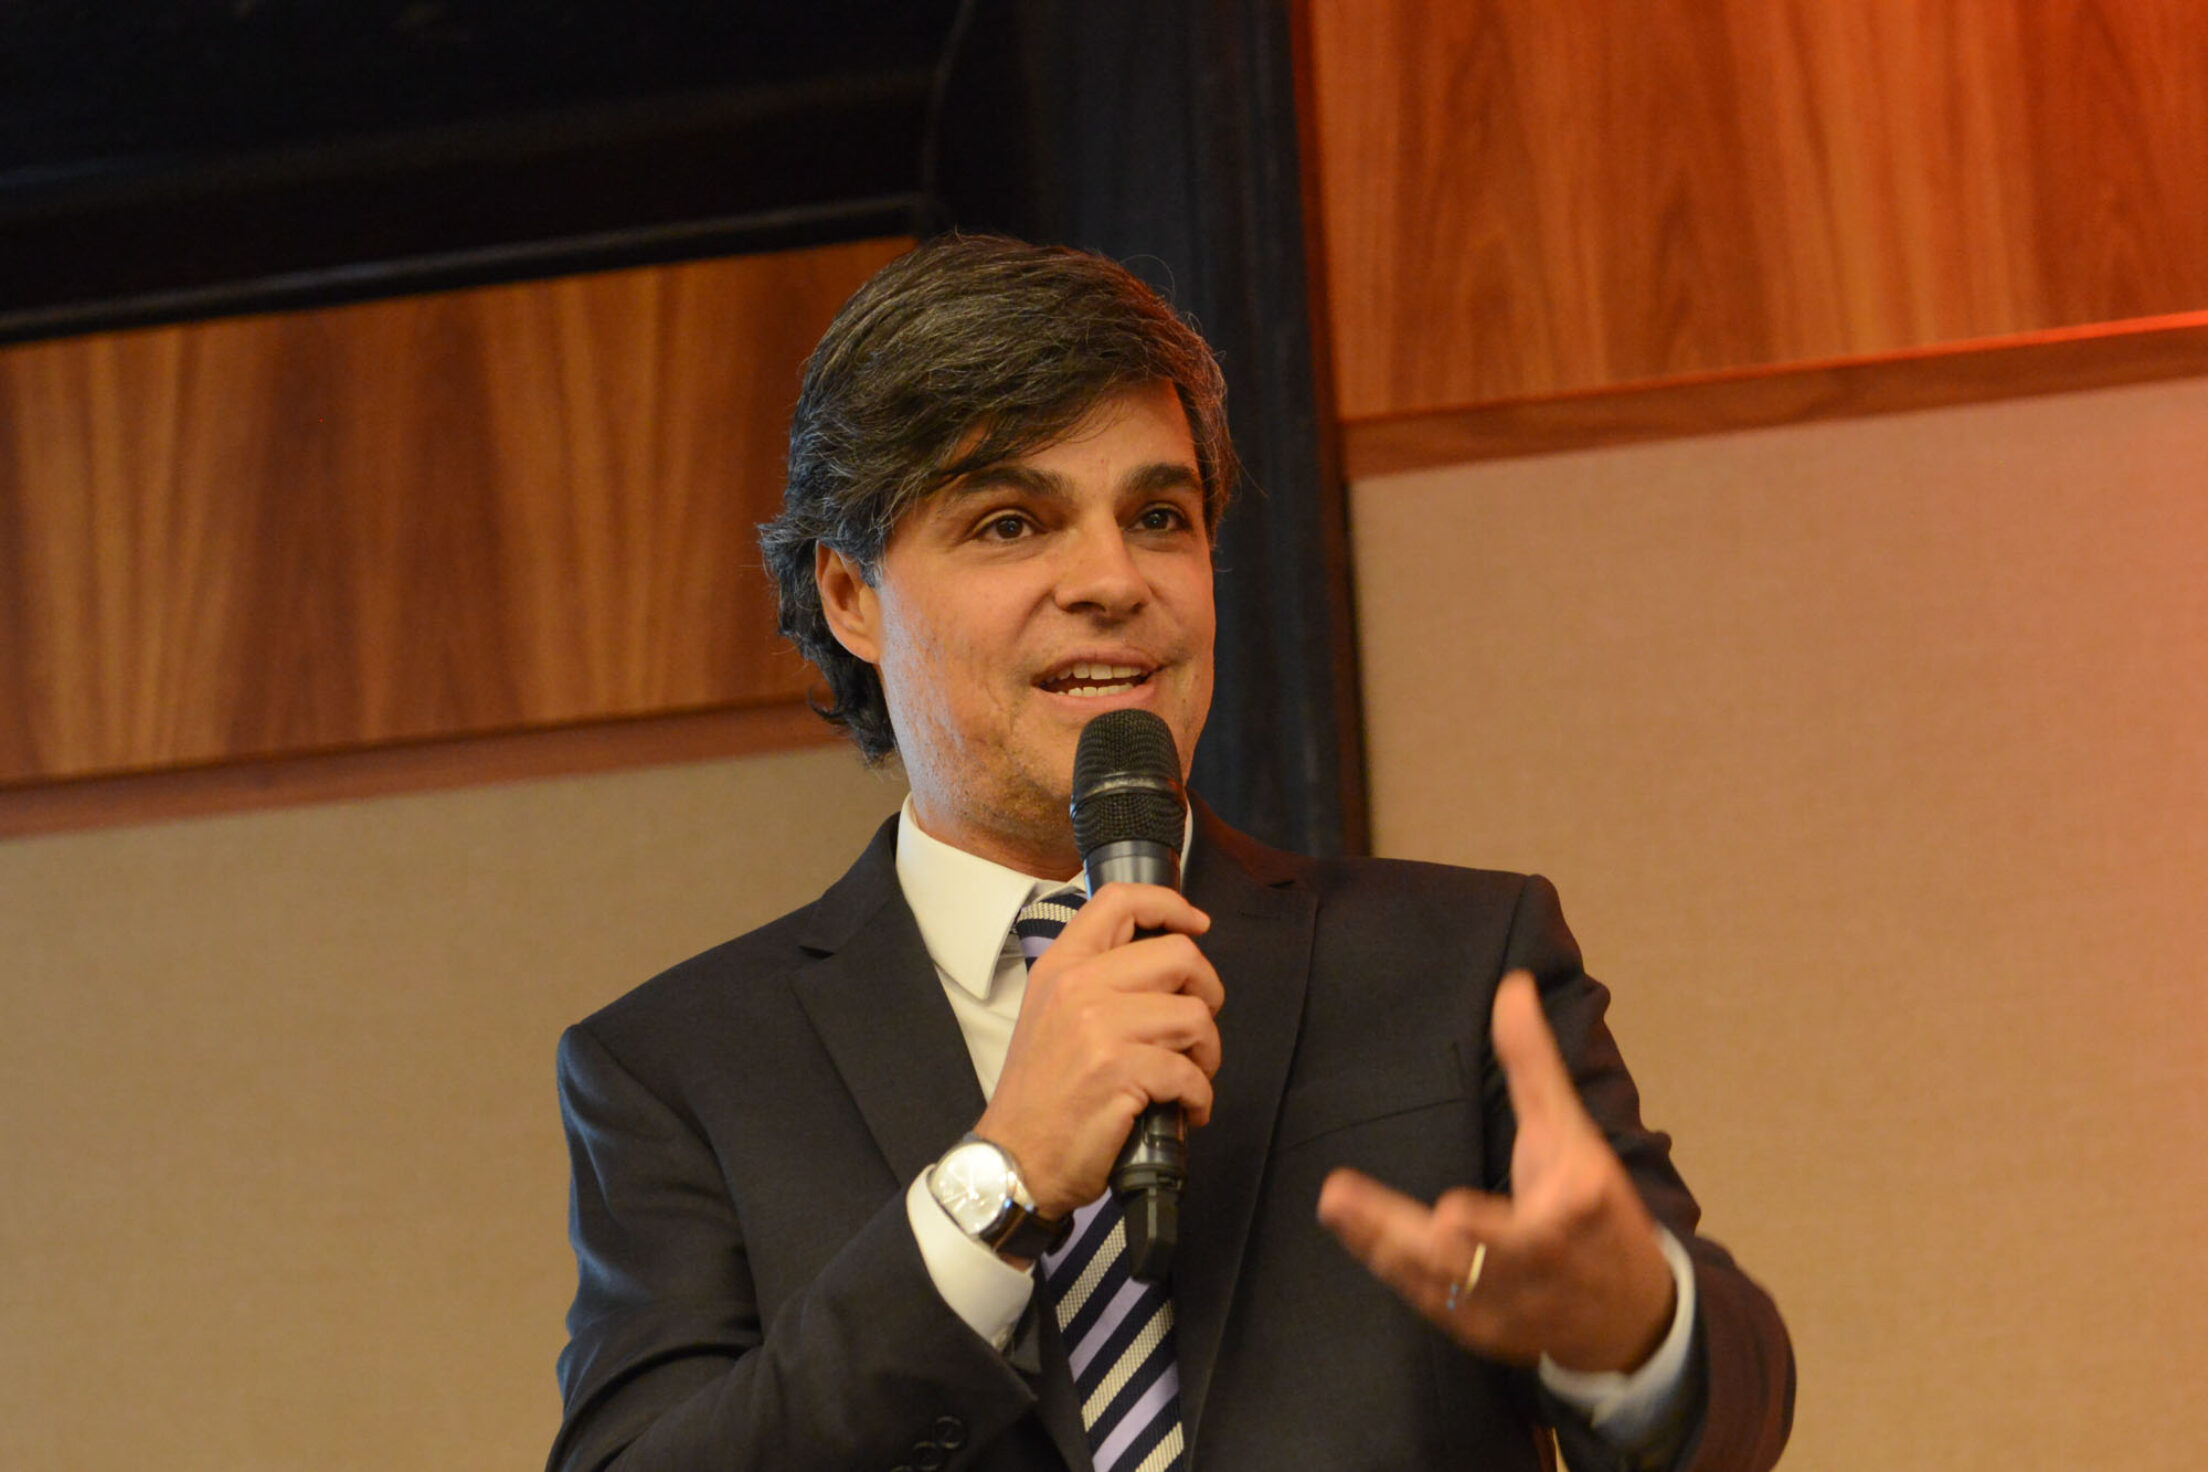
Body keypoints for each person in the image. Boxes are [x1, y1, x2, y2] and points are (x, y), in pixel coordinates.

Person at [548, 234, 1793, 1472]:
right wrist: (997, 1179)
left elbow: (1734, 1401)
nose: (1112, 579)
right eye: (1011, 522)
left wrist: (1637, 1332)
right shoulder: (679, 1070)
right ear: (849, 594)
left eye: (1158, 516)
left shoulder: (1459, 962)